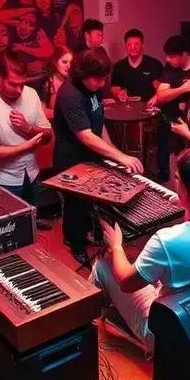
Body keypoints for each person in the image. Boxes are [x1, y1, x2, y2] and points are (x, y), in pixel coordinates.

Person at [94, 149, 190, 348]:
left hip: (169, 330)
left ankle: (89, 332)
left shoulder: (167, 241)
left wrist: (115, 245)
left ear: (186, 190)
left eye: (177, 179)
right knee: (151, 266)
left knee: (102, 266)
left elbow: (126, 283)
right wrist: (188, 205)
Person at [52, 48, 143, 263]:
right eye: (98, 79)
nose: (102, 84)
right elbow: (86, 136)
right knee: (75, 205)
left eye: (104, 79)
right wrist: (122, 157)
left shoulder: (94, 88)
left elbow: (98, 126)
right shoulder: (69, 94)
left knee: (93, 202)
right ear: (83, 73)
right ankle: (75, 243)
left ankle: (90, 235)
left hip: (90, 156)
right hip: (71, 160)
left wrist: (114, 155)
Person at [0, 51, 53, 211]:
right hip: (3, 181)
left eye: (22, 84)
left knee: (32, 219)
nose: (19, 90)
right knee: (9, 225)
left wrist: (29, 129)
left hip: (31, 174)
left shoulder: (31, 94)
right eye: (13, 84)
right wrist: (25, 146)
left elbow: (47, 136)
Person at [154, 35, 190, 179]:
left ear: (184, 54)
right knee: (171, 158)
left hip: (189, 123)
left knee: (188, 161)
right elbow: (161, 96)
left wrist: (172, 93)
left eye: (172, 56)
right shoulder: (170, 68)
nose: (167, 59)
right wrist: (182, 89)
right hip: (169, 119)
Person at [110, 28, 163, 102]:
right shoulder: (118, 67)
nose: (133, 48)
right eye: (129, 45)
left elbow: (162, 89)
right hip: (127, 106)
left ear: (142, 44)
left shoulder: (155, 64)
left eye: (136, 44)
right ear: (125, 46)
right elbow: (114, 88)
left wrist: (157, 95)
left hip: (149, 106)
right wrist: (118, 93)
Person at [41, 44, 73, 120]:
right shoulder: (46, 83)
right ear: (55, 62)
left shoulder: (73, 82)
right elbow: (42, 113)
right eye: (64, 62)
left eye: (70, 62)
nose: (69, 66)